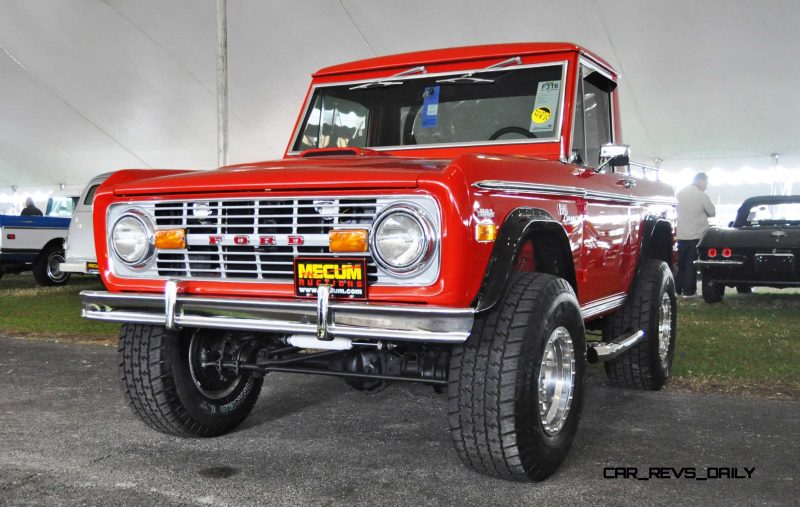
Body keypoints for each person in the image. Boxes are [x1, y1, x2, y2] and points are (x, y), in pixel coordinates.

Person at [675, 172, 715, 297]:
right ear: (701, 181)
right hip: (696, 235)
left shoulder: (680, 193)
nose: (706, 186)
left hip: (682, 234)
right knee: (692, 265)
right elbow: (712, 212)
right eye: (706, 183)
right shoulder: (701, 195)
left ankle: (677, 289)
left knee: (681, 264)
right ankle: (689, 291)